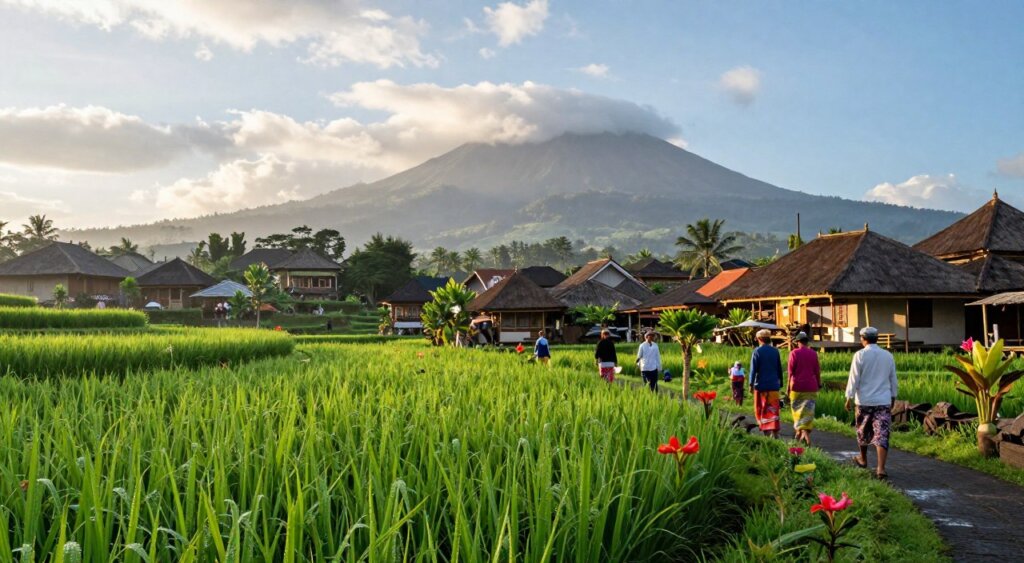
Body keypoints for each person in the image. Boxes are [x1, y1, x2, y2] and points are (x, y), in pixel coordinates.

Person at [845, 326, 898, 480]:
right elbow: (892, 378)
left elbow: (853, 378)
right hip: (883, 400)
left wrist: (849, 397)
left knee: (862, 430)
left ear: (863, 339)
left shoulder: (859, 355)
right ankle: (880, 468)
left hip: (864, 401)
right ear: (877, 338)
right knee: (882, 433)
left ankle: (863, 459)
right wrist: (893, 396)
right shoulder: (887, 355)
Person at [787, 332, 822, 445]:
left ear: (797, 342)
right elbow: (817, 371)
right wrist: (819, 384)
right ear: (807, 342)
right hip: (811, 387)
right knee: (808, 413)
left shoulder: (794, 353)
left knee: (797, 413)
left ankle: (803, 434)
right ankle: (800, 434)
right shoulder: (813, 353)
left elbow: (790, 373)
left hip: (797, 387)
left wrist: (788, 388)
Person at [750, 329, 783, 438]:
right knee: (773, 409)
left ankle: (766, 432)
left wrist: (750, 384)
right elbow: (779, 369)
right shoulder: (775, 351)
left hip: (761, 386)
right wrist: (781, 383)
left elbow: (753, 370)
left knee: (761, 409)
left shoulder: (757, 351)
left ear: (759, 339)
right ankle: (775, 432)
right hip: (774, 386)